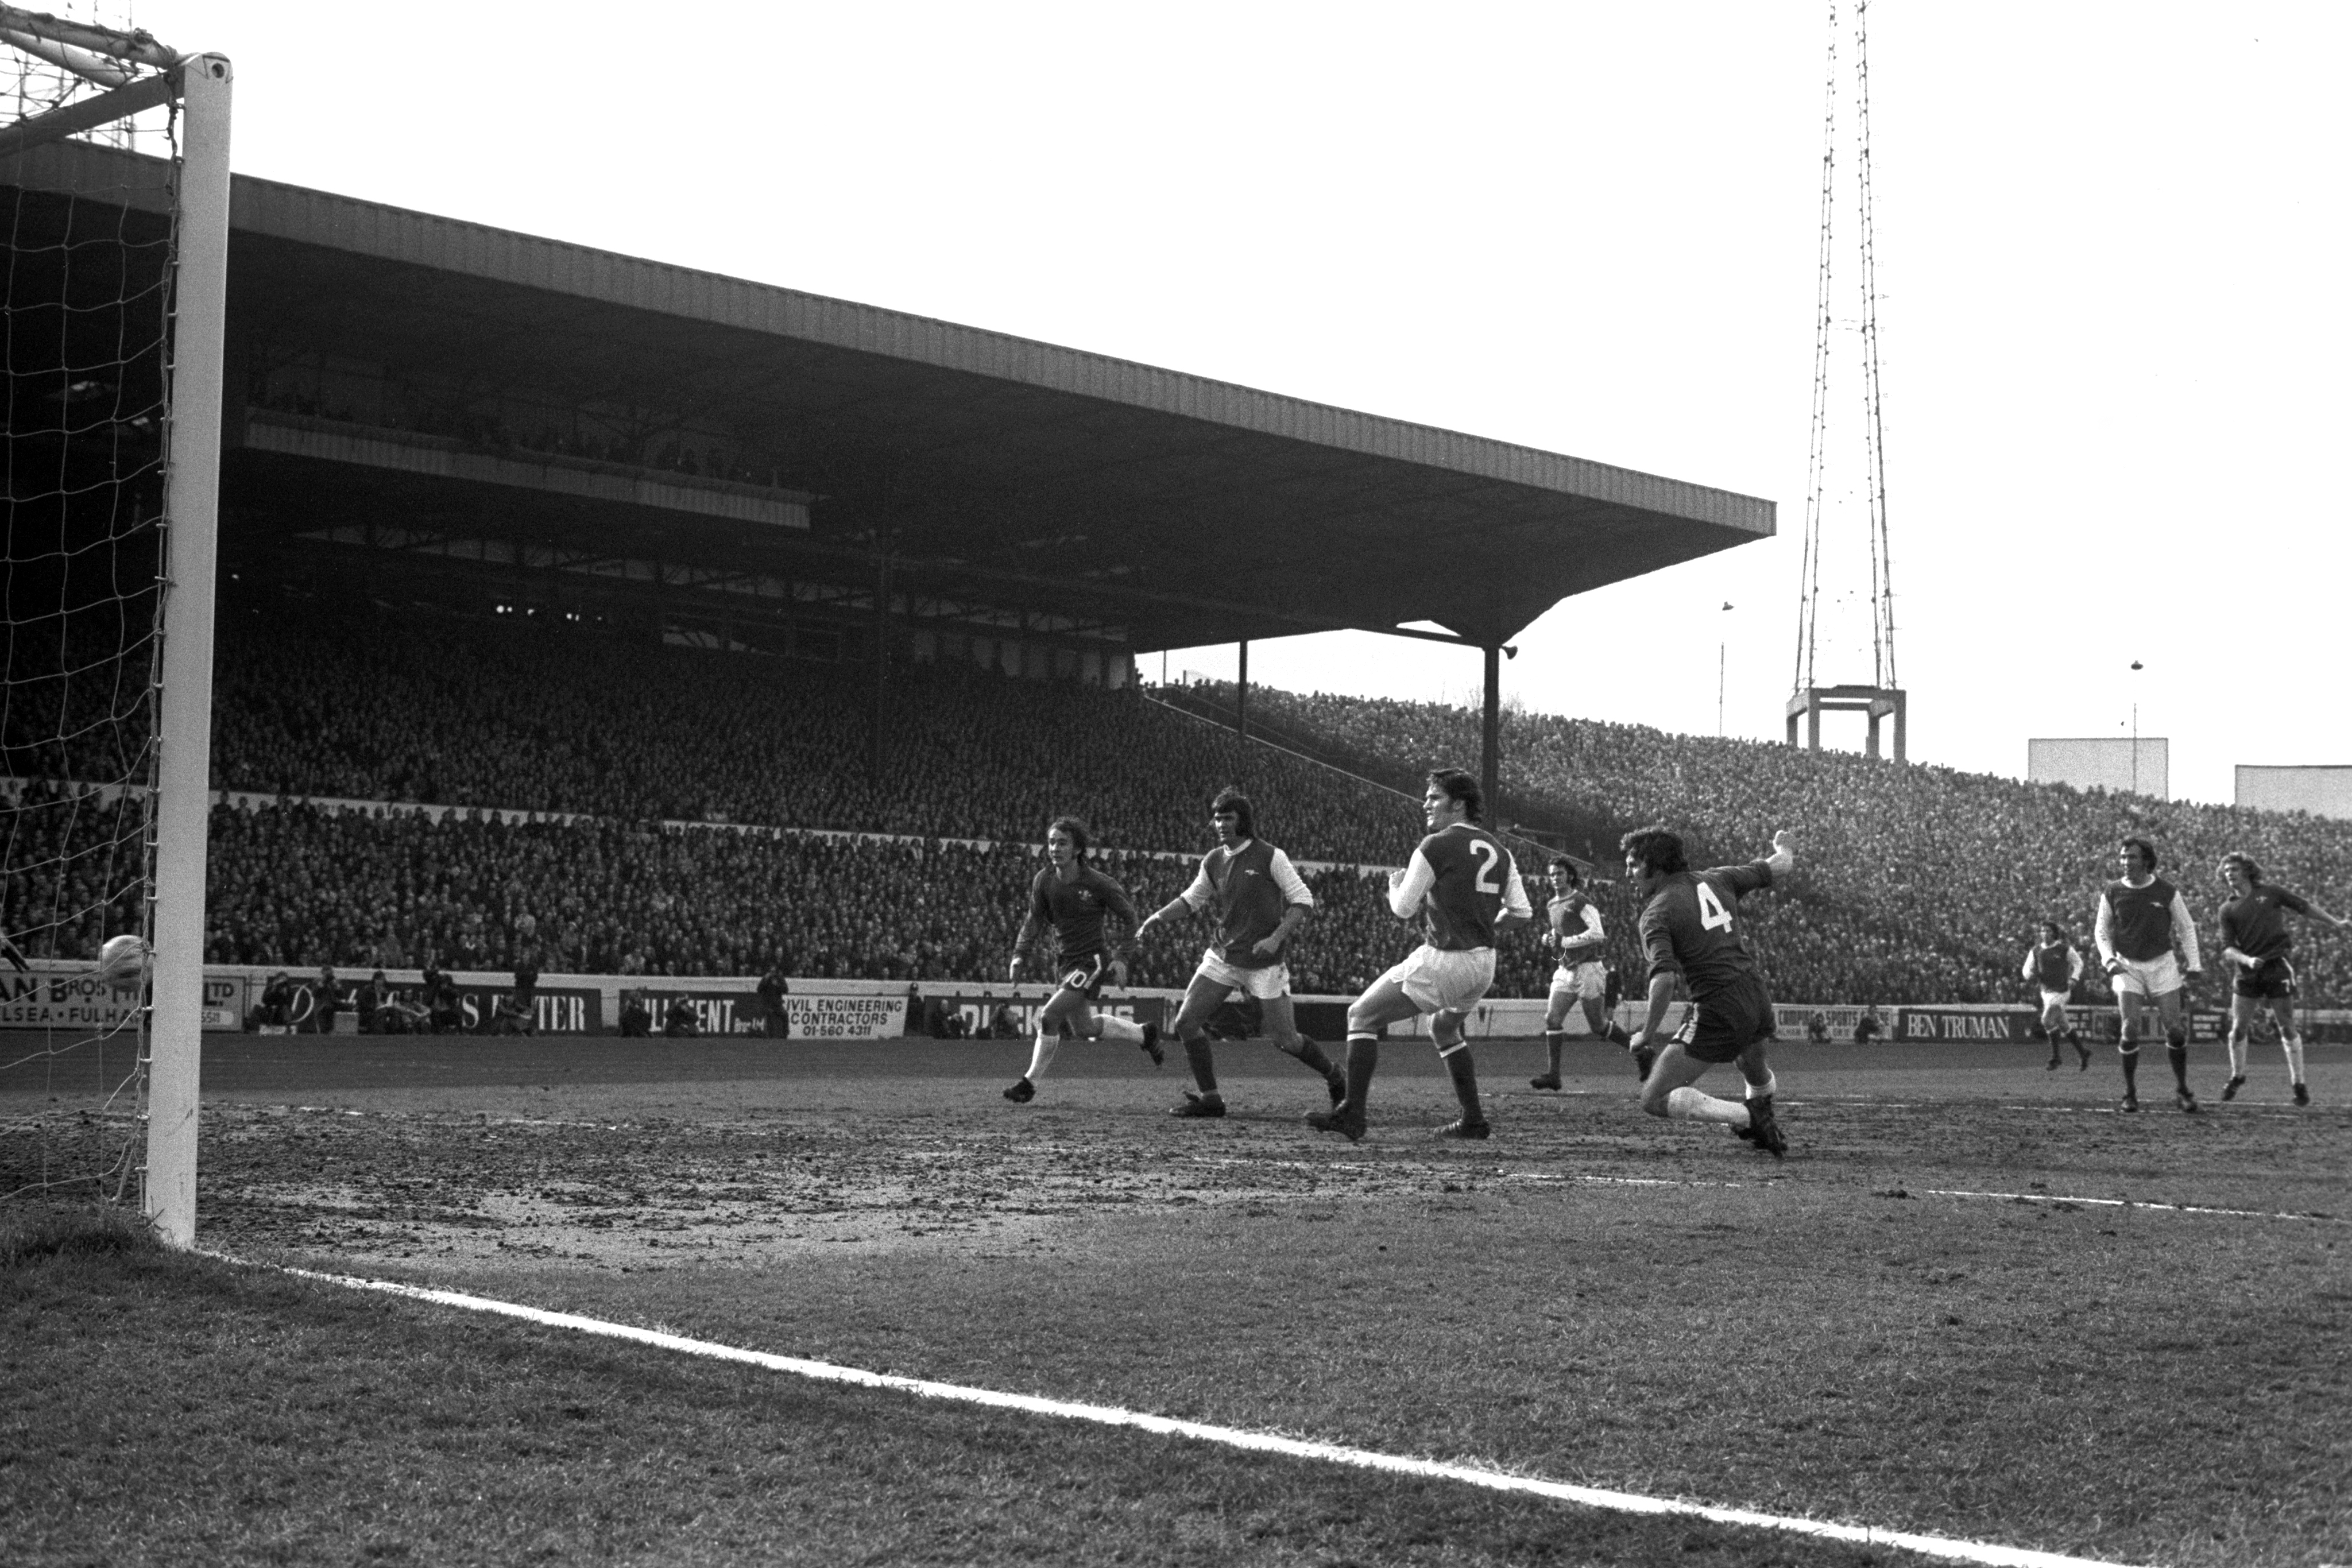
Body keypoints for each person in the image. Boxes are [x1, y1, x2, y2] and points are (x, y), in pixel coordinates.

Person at [1306, 768, 1531, 1143]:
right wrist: (1486, 926)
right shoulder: (1500, 850)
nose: (1426, 803)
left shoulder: (1436, 844)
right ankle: (1473, 1120)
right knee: (1443, 1026)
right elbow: (1522, 912)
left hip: (1445, 958)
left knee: (1360, 1015)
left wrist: (1394, 887)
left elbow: (1404, 909)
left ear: (1458, 804)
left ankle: (1353, 1114)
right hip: (1483, 963)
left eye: (1434, 796)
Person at [1134, 787, 1343, 1118]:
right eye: (1217, 818)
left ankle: (1335, 1076)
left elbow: (1303, 900)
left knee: (1285, 1039)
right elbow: (1191, 899)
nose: (1221, 824)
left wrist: (1275, 938)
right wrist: (1157, 917)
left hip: (1263, 963)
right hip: (1223, 956)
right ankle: (1211, 1099)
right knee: (1187, 1022)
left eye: (1228, 818)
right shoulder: (1214, 860)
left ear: (1243, 820)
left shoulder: (1271, 856)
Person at [1622, 824, 1797, 1158]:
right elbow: (1779, 866)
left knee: (1654, 1098)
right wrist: (1784, 847)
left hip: (1718, 1003)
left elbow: (1664, 980)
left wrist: (1646, 1033)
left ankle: (1749, 1118)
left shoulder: (1656, 912)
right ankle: (1763, 1115)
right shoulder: (1718, 878)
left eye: (1633, 865)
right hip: (1755, 992)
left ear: (1654, 867)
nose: (1628, 873)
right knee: (1752, 1066)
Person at [1001, 815, 1162, 1104]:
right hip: (1064, 962)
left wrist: (1122, 958)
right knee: (1084, 1029)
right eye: (1051, 842)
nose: (1055, 848)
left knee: (1048, 1017)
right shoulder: (1044, 880)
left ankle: (1029, 1083)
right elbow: (1034, 920)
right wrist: (1019, 955)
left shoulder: (1098, 883)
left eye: (1062, 843)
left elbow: (1130, 918)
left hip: (1092, 961)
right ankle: (1144, 1034)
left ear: (1077, 849)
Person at [2214, 853, 2347, 1106]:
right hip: (2248, 971)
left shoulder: (2271, 893)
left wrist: (2335, 923)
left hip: (2276, 966)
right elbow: (2227, 948)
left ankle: (2299, 1083)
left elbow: (2304, 906)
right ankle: (2237, 1076)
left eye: (2235, 869)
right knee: (2238, 1030)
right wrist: (2247, 960)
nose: (2230, 873)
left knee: (2286, 1026)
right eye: (2227, 870)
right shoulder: (2227, 909)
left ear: (2248, 871)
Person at [2094, 837, 2203, 1114]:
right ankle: (2129, 1094)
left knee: (2175, 1030)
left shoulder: (2166, 891)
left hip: (2162, 965)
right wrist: (2108, 960)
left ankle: (2182, 1090)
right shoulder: (2113, 891)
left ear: (2146, 860)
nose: (2125, 862)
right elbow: (2102, 931)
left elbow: (2186, 928)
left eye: (2131, 857)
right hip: (2127, 965)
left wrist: (2195, 964)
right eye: (2122, 857)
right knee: (2129, 1028)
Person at [1529, 857, 1638, 1091]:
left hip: (1588, 968)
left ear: (1569, 876)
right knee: (1552, 1019)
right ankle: (1553, 1075)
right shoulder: (1551, 905)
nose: (1555, 878)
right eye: (1552, 874)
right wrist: (1548, 939)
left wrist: (1564, 941)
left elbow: (1598, 933)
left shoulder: (1581, 901)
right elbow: (1558, 933)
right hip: (1565, 969)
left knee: (1598, 1026)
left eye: (1559, 873)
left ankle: (1641, 1052)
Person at [2021, 921, 2090, 1071]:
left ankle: (2056, 1057)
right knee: (2063, 1024)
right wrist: (2029, 975)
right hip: (2046, 992)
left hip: (2062, 991)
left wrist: (2074, 978)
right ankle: (2083, 1053)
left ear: (2054, 933)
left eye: (2048, 931)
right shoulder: (2036, 951)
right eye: (2042, 931)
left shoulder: (2063, 948)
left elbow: (2079, 963)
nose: (2045, 933)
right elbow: (2026, 970)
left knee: (2046, 1020)